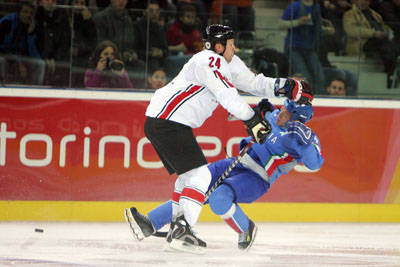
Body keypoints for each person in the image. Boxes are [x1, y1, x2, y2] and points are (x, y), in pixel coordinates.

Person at [124, 23, 312, 254]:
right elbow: (227, 96)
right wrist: (253, 120)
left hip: (165, 121)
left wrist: (289, 87)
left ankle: (167, 226)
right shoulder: (209, 61)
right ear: (219, 46)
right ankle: (182, 230)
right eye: (231, 44)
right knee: (200, 175)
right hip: (168, 121)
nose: (236, 49)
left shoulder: (226, 62)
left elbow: (254, 84)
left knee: (187, 178)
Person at [124, 92, 323, 252]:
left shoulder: (302, 138)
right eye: (283, 107)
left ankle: (246, 229)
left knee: (219, 199)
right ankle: (150, 223)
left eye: (288, 113)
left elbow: (315, 165)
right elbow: (233, 115)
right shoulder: (272, 115)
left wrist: (307, 146)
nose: (281, 113)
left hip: (257, 178)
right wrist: (253, 114)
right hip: (237, 163)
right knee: (195, 182)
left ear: (298, 120)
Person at [279, 0, 335, 94]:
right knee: (304, 76)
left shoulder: (316, 7)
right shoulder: (294, 6)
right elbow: (281, 24)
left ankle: (319, 99)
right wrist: (298, 22)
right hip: (294, 47)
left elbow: (315, 27)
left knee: (319, 76)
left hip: (310, 48)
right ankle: (305, 98)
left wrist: (326, 30)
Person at [343, 0, 400, 88]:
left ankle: (390, 71)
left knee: (391, 44)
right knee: (386, 46)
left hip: (380, 42)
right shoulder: (349, 14)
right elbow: (351, 30)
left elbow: (384, 26)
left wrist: (388, 32)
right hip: (363, 43)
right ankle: (390, 73)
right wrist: (373, 33)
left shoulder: (376, 15)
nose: (364, 2)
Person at [0, 1, 45, 85]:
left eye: (31, 13)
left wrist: (30, 34)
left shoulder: (35, 26)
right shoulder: (6, 23)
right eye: (25, 12)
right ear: (18, 13)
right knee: (0, 61)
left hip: (22, 59)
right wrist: (18, 62)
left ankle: (34, 92)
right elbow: (2, 49)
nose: (28, 15)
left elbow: (36, 56)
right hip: (7, 57)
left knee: (40, 64)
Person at [35, 0, 71, 87]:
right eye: (47, 0)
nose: (50, 2)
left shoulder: (62, 17)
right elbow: (35, 41)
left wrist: (55, 59)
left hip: (57, 58)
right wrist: (45, 58)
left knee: (65, 65)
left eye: (53, 1)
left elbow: (65, 42)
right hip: (38, 57)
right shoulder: (35, 16)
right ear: (40, 2)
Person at [69, 0, 97, 88]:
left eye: (82, 4)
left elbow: (92, 42)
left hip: (83, 55)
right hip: (67, 54)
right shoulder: (65, 17)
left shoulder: (88, 20)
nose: (79, 6)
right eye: (76, 3)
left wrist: (87, 21)